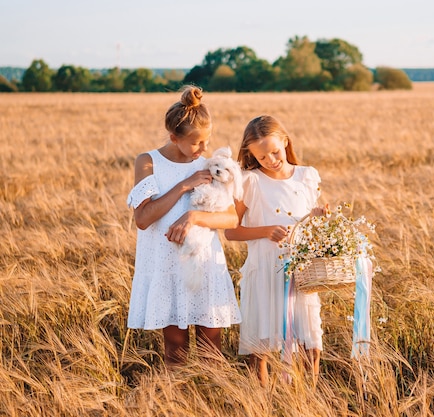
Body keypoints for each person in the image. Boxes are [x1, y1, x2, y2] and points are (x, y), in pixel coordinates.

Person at [126, 85, 241, 368]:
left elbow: (231, 219)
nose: (203, 150)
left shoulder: (209, 166)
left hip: (202, 263)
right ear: (173, 137)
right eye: (196, 143)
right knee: (175, 350)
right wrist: (184, 186)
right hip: (164, 264)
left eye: (207, 141)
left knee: (211, 348)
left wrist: (193, 218)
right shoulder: (148, 162)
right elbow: (143, 219)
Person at [224, 115, 325, 387]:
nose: (270, 160)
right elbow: (230, 230)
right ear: (251, 156)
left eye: (274, 151)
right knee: (262, 347)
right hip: (265, 270)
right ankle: (263, 404)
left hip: (302, 273)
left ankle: (308, 401)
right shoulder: (250, 182)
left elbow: (311, 229)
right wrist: (265, 231)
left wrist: (318, 218)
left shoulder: (306, 176)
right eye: (261, 156)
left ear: (285, 141)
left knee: (310, 343)